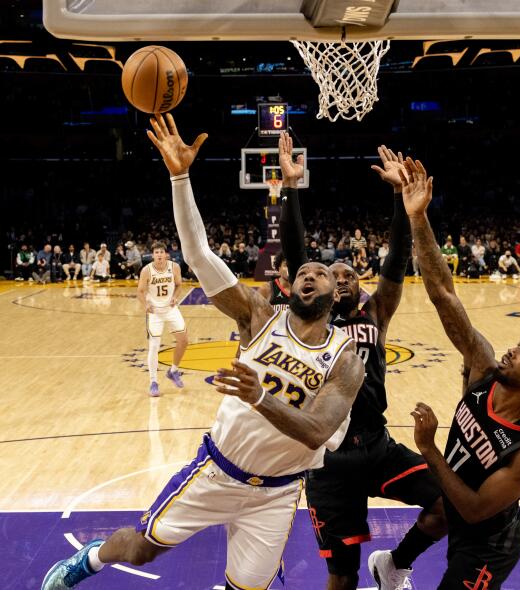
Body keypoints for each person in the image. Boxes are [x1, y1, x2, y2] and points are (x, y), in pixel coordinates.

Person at [43, 114, 365, 590]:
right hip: (218, 471)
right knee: (142, 547)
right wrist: (180, 177)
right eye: (302, 272)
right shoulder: (258, 316)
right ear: (288, 285)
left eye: (319, 273)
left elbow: (318, 431)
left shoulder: (346, 358)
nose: (309, 274)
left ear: (336, 295)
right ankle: (89, 560)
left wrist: (259, 397)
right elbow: (197, 255)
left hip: (275, 495)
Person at [276, 138, 446, 590]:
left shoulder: (377, 314)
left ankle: (396, 563)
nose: (345, 279)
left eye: (352, 275)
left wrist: (400, 199)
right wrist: (290, 188)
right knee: (342, 576)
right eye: (336, 276)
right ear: (323, 289)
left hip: (377, 446)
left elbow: (396, 260)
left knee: (449, 502)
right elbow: (297, 256)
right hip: (328, 463)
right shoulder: (311, 319)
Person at [399, 158, 520, 589]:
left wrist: (429, 447)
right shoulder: (483, 367)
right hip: (450, 507)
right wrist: (418, 218)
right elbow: (442, 293)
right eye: (519, 344)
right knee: (437, 512)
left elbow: (476, 509)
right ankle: (395, 563)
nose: (514, 349)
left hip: (488, 542)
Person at [137, 241, 188, 397]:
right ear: (153, 255)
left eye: (161, 252)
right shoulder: (146, 270)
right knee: (154, 346)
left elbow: (179, 285)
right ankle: (153, 382)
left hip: (171, 309)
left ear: (166, 254)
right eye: (156, 252)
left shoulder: (175, 267)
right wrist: (145, 304)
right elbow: (140, 291)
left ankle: (173, 371)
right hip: (155, 312)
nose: (159, 255)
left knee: (184, 341)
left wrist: (175, 297)